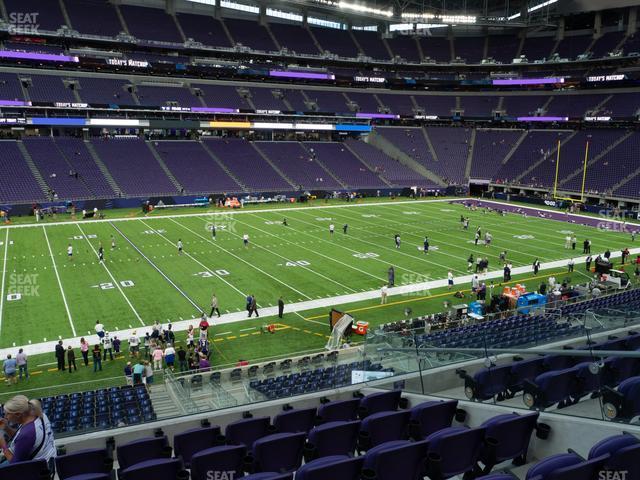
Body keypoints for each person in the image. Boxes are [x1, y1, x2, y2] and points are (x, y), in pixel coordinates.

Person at [0, 395, 57, 469]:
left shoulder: (27, 433)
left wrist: (3, 446)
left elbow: (15, 465)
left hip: (36, 470)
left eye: (7, 413)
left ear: (18, 414)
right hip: (47, 462)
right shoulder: (40, 415)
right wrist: (6, 428)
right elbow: (22, 439)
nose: (5, 417)